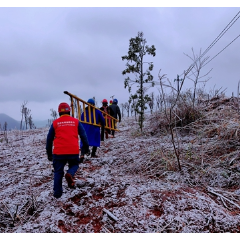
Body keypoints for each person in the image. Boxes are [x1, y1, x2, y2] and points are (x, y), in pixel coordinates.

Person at [46, 102, 89, 199]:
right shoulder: (76, 122)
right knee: (74, 164)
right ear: (69, 111)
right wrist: (86, 148)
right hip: (73, 151)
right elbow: (83, 136)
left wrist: (49, 153)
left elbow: (49, 139)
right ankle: (70, 173)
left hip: (58, 152)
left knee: (58, 171)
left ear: (59, 113)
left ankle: (57, 194)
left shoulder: (55, 123)